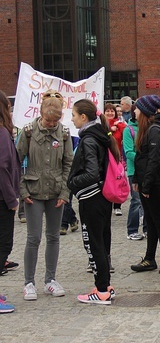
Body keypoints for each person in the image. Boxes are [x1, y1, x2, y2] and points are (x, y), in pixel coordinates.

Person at [16, 91, 73, 301]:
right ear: (40, 114)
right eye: (48, 120)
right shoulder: (28, 132)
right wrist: (22, 191)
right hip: (33, 191)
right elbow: (16, 161)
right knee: (33, 237)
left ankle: (50, 280)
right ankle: (28, 282)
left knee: (53, 236)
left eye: (55, 120)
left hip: (56, 191)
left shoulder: (65, 133)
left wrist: (65, 192)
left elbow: (68, 164)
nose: (51, 124)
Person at [68, 99, 118, 304]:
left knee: (94, 242)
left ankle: (102, 290)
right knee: (103, 240)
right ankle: (105, 285)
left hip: (92, 198)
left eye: (73, 115)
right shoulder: (99, 136)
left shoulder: (89, 140)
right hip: (103, 197)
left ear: (83, 117)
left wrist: (72, 182)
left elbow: (91, 173)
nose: (71, 119)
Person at [130, 95, 160, 275]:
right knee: (150, 221)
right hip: (147, 182)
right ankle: (150, 258)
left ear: (145, 111)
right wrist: (137, 180)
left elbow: (154, 160)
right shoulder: (146, 129)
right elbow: (142, 158)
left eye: (137, 108)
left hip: (155, 185)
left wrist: (146, 185)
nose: (134, 111)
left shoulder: (155, 130)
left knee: (158, 221)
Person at [0, 91, 21, 313]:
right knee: (3, 245)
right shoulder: (2, 133)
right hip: (2, 197)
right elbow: (3, 167)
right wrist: (11, 199)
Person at [123, 104, 146, 241]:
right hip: (134, 171)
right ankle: (132, 229)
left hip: (147, 170)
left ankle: (147, 229)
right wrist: (143, 159)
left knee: (147, 202)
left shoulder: (148, 128)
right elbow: (128, 152)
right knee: (136, 201)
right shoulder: (129, 130)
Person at [104, 103, 127, 216]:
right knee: (107, 181)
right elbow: (104, 136)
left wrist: (119, 125)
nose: (110, 113)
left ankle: (117, 206)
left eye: (112, 111)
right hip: (105, 158)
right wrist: (109, 130)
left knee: (118, 180)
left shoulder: (119, 124)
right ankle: (107, 203)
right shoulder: (101, 124)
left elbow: (126, 133)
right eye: (107, 111)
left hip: (117, 157)